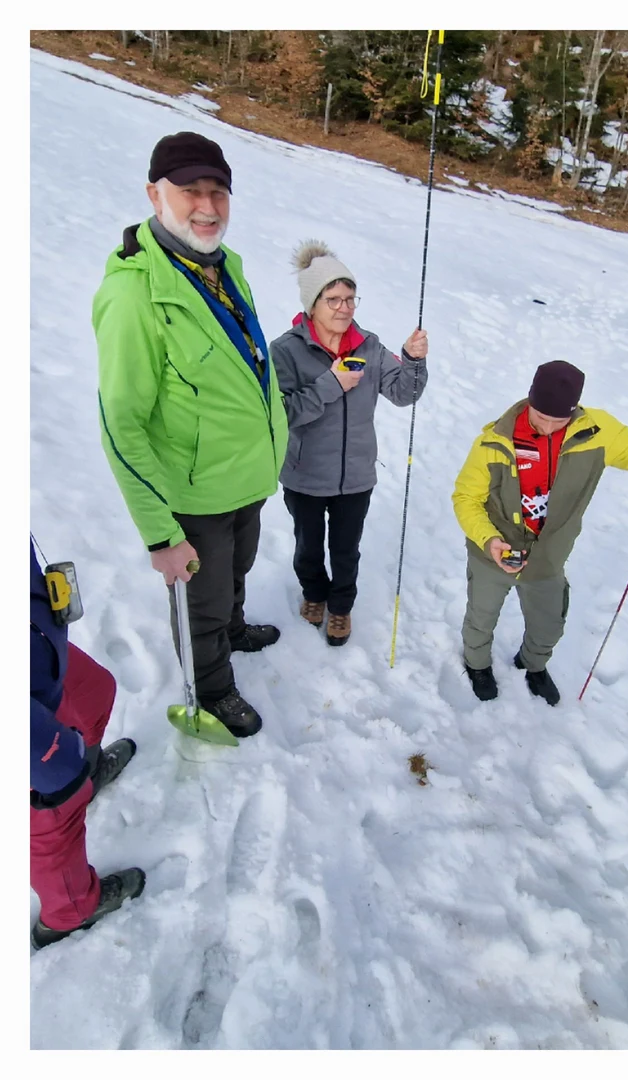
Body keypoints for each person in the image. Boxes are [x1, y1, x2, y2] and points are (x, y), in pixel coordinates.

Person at [94, 131, 287, 738]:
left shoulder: (227, 266)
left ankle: (232, 628)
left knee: (236, 572)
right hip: (194, 493)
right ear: (156, 195)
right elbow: (120, 424)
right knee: (200, 602)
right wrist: (160, 536)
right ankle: (212, 688)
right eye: (190, 191)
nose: (207, 206)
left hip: (247, 477)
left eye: (218, 191)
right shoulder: (134, 295)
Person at [450, 360, 628, 705]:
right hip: (493, 552)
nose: (546, 427)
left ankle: (533, 665)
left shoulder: (595, 433)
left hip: (548, 558)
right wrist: (489, 539)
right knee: (481, 618)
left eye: (557, 421)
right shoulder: (494, 440)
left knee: (549, 625)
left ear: (573, 412)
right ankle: (477, 665)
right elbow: (466, 497)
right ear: (529, 400)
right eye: (539, 416)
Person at [271, 241, 430, 646]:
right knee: (308, 547)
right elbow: (280, 413)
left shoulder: (370, 347)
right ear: (312, 303)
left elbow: (402, 393)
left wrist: (413, 360)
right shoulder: (285, 351)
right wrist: (331, 384)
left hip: (356, 475)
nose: (344, 308)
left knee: (346, 550)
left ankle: (340, 607)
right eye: (333, 299)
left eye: (350, 298)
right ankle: (313, 595)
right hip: (305, 474)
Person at [32, 545, 143, 949]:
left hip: (33, 650)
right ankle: (68, 911)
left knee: (94, 691)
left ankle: (86, 775)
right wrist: (46, 761)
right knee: (47, 817)